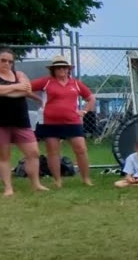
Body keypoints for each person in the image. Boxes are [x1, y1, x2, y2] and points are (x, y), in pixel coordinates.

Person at [0, 47, 48, 196]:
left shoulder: (19, 74)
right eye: (3, 60)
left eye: (10, 61)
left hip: (20, 120)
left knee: (33, 152)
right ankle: (8, 188)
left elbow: (26, 89)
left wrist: (4, 90)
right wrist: (15, 87)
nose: (7, 64)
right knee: (4, 156)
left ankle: (36, 184)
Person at [32, 55, 96, 187]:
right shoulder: (46, 82)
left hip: (72, 121)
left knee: (81, 149)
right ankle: (57, 180)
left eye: (64, 67)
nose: (61, 70)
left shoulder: (76, 83)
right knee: (53, 151)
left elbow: (91, 98)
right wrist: (39, 99)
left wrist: (83, 112)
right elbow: (26, 88)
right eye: (58, 67)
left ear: (68, 69)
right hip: (49, 122)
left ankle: (86, 178)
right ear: (53, 70)